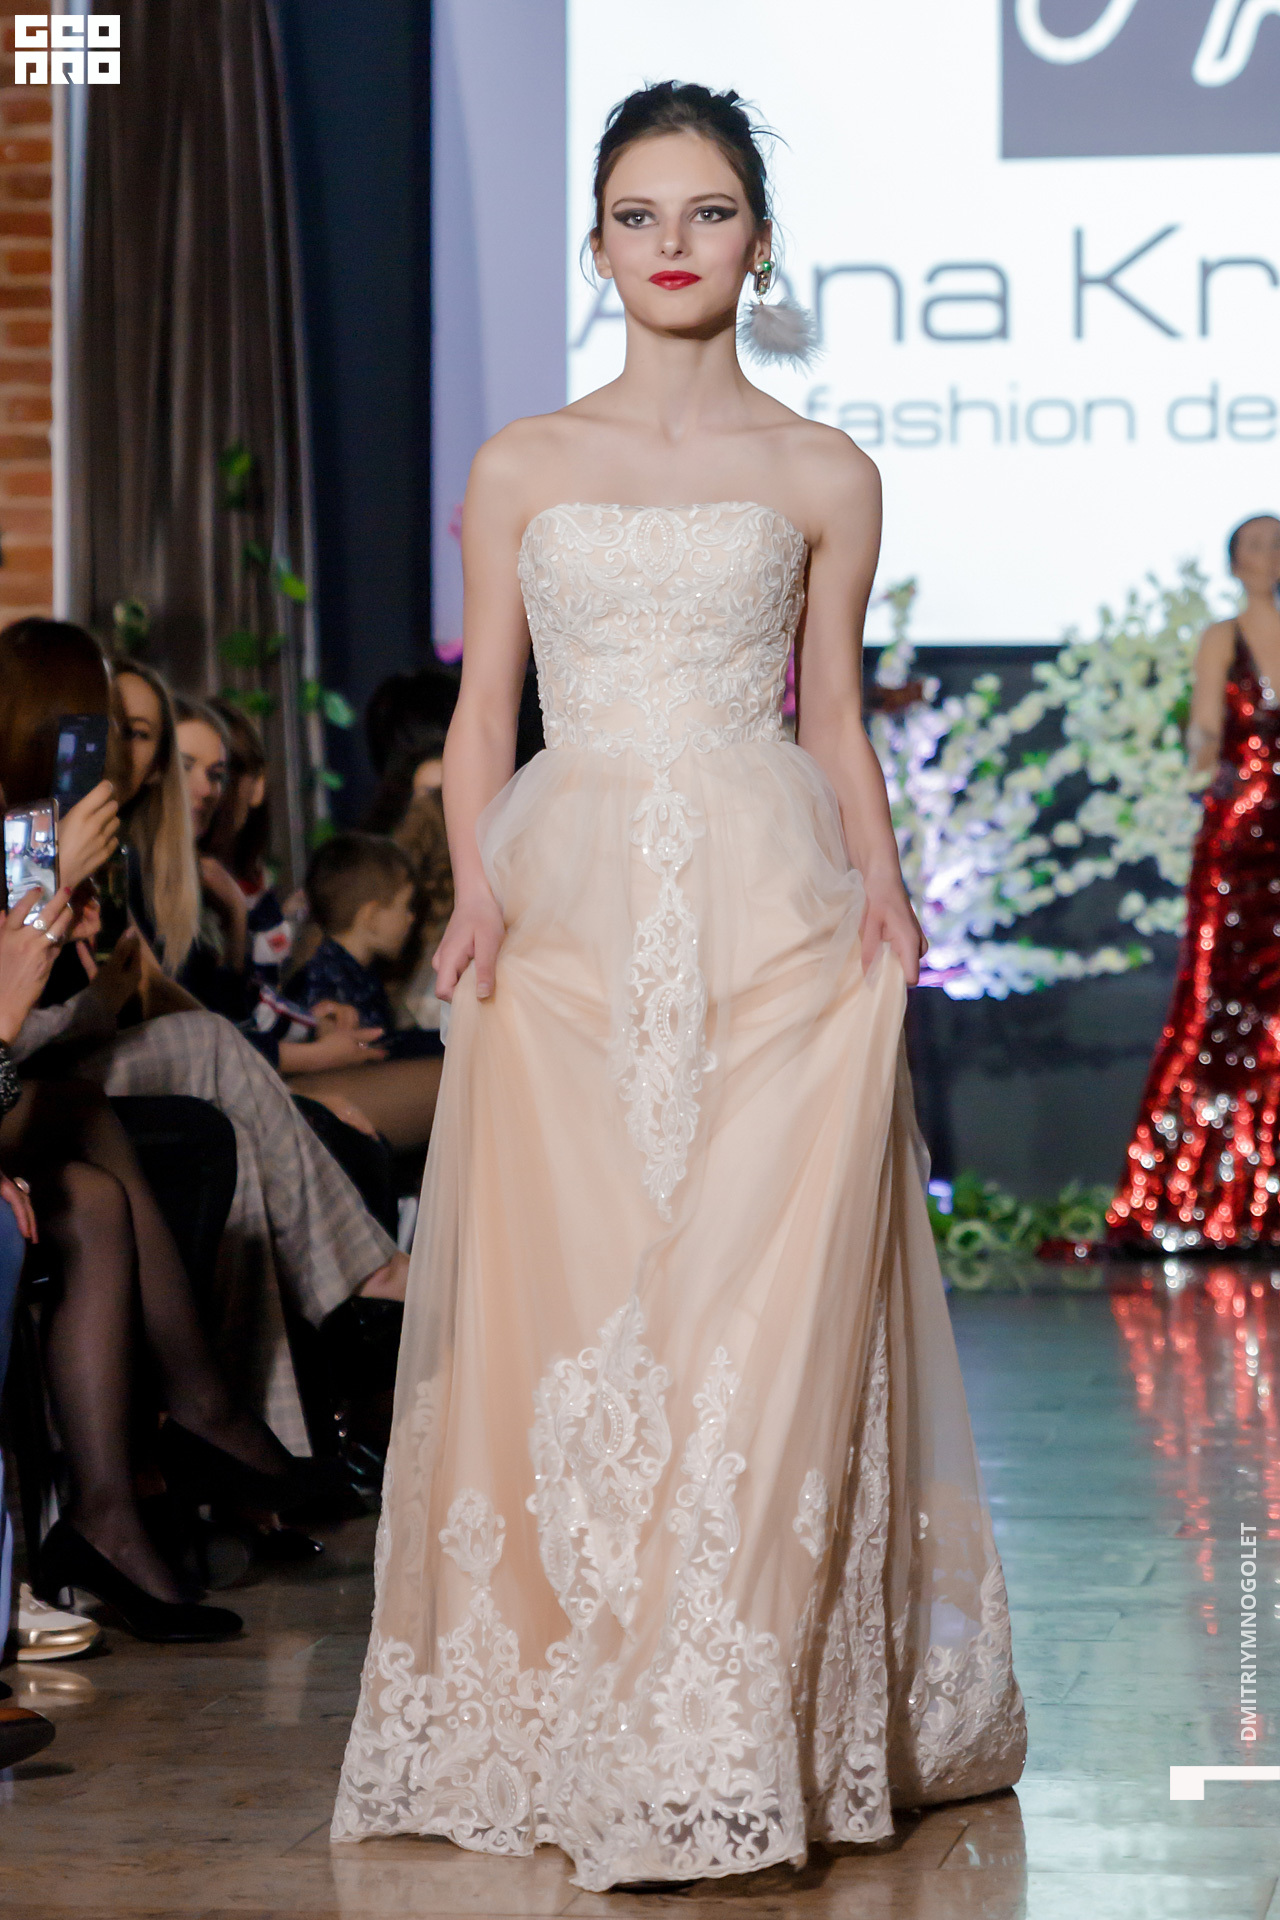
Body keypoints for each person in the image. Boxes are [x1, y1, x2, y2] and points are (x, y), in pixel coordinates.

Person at [333, 83, 1025, 1889]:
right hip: (566, 918)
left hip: (769, 903)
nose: (671, 244)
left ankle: (724, 1718)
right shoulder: (523, 464)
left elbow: (838, 721)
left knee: (753, 1307)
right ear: (595, 244)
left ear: (758, 243)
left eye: (707, 212)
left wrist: (885, 900)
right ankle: (578, 1694)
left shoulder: (824, 472)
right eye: (637, 215)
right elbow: (485, 719)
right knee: (575, 1303)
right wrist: (476, 895)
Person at [0, 625, 408, 1454]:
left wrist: (100, 974)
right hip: (27, 1076)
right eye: (99, 723)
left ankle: (276, 1433)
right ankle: (354, 1305)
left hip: (53, 1057)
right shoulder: (31, 838)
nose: (109, 749)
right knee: (213, 1064)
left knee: (218, 1070)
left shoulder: (52, 829)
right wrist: (60, 890)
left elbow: (86, 1006)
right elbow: (17, 1020)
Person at [1110, 512, 1280, 1249]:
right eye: (1255, 545)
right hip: (1242, 832)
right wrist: (1199, 758)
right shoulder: (1222, 638)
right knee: (1222, 1003)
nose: (1268, 556)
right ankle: (1211, 1190)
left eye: (1277, 544)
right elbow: (1206, 728)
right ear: (1234, 561)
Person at [291, 832, 443, 1063]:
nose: (411, 918)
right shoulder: (331, 983)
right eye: (405, 906)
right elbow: (372, 1050)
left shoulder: (350, 970)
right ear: (370, 916)